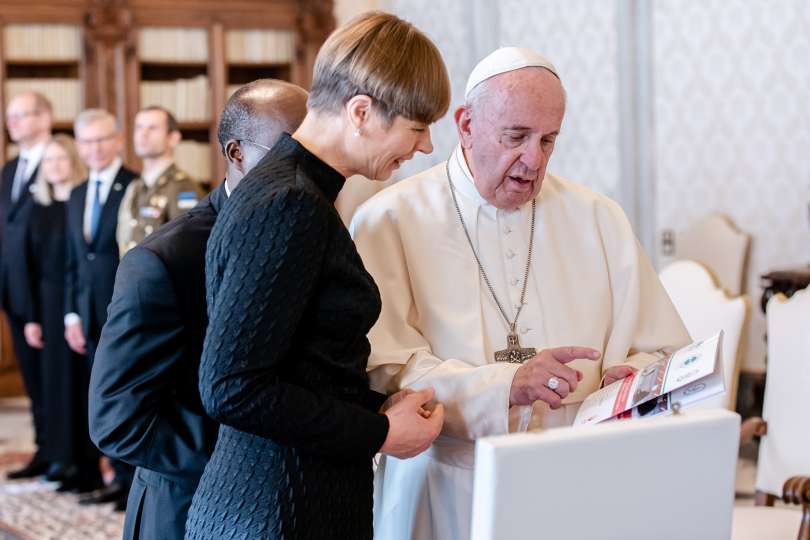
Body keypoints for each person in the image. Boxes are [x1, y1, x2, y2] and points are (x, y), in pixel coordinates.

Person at [350, 47, 692, 540]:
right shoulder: (390, 220)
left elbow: (663, 350)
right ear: (466, 125)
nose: (534, 160)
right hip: (448, 485)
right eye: (516, 137)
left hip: (575, 483)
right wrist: (505, 386)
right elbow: (387, 370)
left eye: (548, 139)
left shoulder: (598, 217)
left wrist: (632, 378)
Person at [185, 12, 450, 540]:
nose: (425, 147)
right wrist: (378, 431)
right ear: (360, 112)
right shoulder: (291, 203)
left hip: (285, 499)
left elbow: (299, 367)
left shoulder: (294, 190)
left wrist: (376, 405)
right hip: (278, 509)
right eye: (417, 127)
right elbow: (231, 387)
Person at [89, 79, 309, 540]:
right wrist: (242, 452)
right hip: (186, 507)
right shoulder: (161, 261)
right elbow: (116, 419)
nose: (306, 169)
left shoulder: (312, 235)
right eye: (291, 151)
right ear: (236, 154)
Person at [64, 108, 138, 510]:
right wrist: (71, 315)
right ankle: (112, 474)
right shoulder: (76, 194)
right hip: (88, 315)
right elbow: (75, 261)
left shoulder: (135, 186)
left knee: (126, 395)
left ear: (118, 140)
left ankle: (131, 481)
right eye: (86, 141)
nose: (93, 148)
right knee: (100, 396)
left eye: (101, 139)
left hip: (124, 310)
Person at [20, 135, 95, 492]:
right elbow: (31, 266)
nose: (53, 166)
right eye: (47, 161)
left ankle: (84, 463)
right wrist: (32, 316)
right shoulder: (39, 206)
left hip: (78, 300)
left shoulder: (84, 200)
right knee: (53, 385)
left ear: (73, 161)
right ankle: (58, 457)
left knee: (80, 383)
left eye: (60, 159)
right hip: (48, 303)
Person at [1, 91, 52, 480]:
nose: (13, 123)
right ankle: (44, 448)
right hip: (15, 291)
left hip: (49, 290)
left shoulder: (57, 162)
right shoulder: (11, 168)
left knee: (55, 376)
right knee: (33, 378)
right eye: (10, 116)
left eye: (22, 115)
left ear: (45, 117)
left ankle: (66, 452)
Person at [116, 106, 204, 256]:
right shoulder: (135, 186)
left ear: (173, 138)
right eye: (139, 128)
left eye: (152, 128)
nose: (143, 134)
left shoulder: (182, 187)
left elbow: (187, 246)